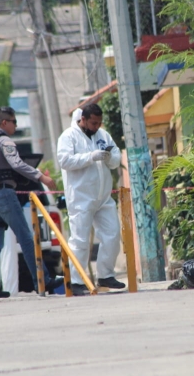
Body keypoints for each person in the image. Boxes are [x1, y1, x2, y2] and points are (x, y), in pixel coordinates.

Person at [0, 106, 63, 299]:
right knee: (26, 238)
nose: (16, 125)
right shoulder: (4, 141)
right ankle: (42, 281)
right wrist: (42, 177)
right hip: (4, 196)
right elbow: (16, 164)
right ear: (4, 123)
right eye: (14, 121)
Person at [57, 104, 125, 296]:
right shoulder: (68, 136)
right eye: (93, 123)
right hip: (81, 198)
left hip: (103, 196)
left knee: (112, 234)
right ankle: (77, 281)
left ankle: (105, 275)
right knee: (79, 240)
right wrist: (90, 157)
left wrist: (109, 157)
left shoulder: (103, 135)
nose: (96, 126)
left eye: (99, 123)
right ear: (83, 119)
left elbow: (116, 158)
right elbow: (64, 161)